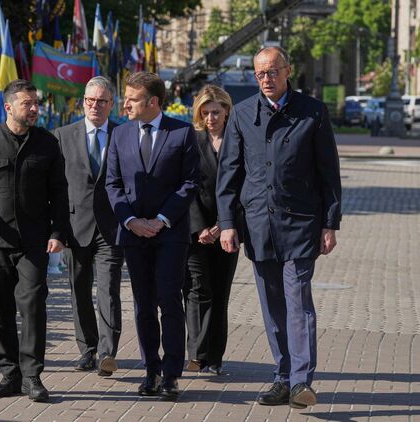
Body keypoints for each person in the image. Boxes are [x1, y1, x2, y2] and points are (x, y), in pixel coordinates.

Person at [216, 46, 341, 409]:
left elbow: (328, 172)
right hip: (259, 224)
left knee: (298, 302)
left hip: (301, 224)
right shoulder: (242, 114)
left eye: (272, 72)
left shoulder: (312, 112)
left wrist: (330, 222)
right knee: (272, 306)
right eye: (260, 74)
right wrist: (227, 223)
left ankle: (301, 382)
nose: (266, 79)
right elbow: (229, 174)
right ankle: (283, 377)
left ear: (288, 71)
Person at [0, 79, 70, 403]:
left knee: (32, 305)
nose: (33, 109)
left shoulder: (47, 144)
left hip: (33, 242)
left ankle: (32, 376)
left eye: (36, 103)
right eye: (26, 103)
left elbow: (60, 192)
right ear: (8, 107)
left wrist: (58, 232)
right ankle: (10, 374)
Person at [105, 71, 200, 401]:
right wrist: (130, 220)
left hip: (170, 233)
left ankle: (171, 374)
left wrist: (161, 220)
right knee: (143, 304)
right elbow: (112, 183)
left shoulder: (182, 133)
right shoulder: (119, 134)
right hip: (133, 233)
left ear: (154, 102)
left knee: (169, 300)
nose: (125, 104)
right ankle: (151, 371)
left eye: (133, 99)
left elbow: (190, 182)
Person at [52, 76, 124, 377]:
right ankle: (88, 349)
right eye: (90, 100)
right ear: (83, 102)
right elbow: (55, 186)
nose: (95, 106)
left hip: (112, 226)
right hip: (75, 225)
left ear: (111, 104)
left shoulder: (123, 134)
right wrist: (56, 230)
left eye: (102, 101)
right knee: (79, 289)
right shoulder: (62, 136)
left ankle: (107, 353)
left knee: (108, 290)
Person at [184, 85, 241, 376]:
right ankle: (197, 353)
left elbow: (243, 188)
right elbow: (186, 187)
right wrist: (200, 227)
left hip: (227, 230)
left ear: (227, 111)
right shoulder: (192, 141)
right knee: (197, 289)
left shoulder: (238, 141)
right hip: (196, 231)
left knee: (219, 294)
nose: (210, 118)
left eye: (216, 112)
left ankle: (214, 357)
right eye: (205, 112)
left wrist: (223, 225)